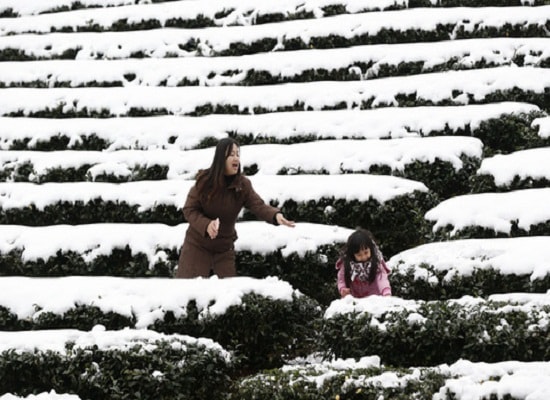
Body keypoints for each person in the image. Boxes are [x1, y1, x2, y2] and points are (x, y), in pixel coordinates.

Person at [176, 137, 295, 278]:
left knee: (226, 295)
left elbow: (258, 205)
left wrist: (275, 216)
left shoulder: (242, 185)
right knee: (190, 293)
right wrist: (207, 225)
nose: (236, 159)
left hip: (224, 249)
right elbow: (189, 209)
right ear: (221, 158)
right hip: (197, 246)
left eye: (238, 154)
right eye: (231, 154)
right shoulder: (204, 182)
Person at [336, 228, 391, 298]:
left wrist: (386, 292)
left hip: (374, 299)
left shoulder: (376, 262)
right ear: (352, 254)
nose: (364, 257)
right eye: (359, 255)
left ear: (371, 248)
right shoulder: (347, 264)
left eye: (366, 252)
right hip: (355, 300)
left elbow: (382, 279)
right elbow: (341, 279)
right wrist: (343, 289)